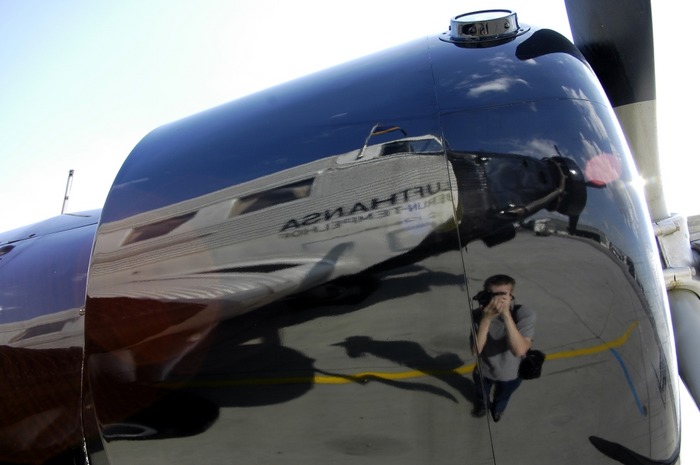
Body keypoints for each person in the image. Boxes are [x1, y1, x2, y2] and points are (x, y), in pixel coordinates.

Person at [471, 274, 536, 422]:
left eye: (501, 295)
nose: (495, 301)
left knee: (502, 396)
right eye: (491, 295)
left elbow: (519, 350)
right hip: (484, 370)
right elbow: (475, 351)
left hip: (511, 373)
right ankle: (483, 405)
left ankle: (498, 409)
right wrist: (486, 319)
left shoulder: (524, 314)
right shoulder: (478, 315)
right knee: (482, 393)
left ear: (511, 296)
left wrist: (506, 315)